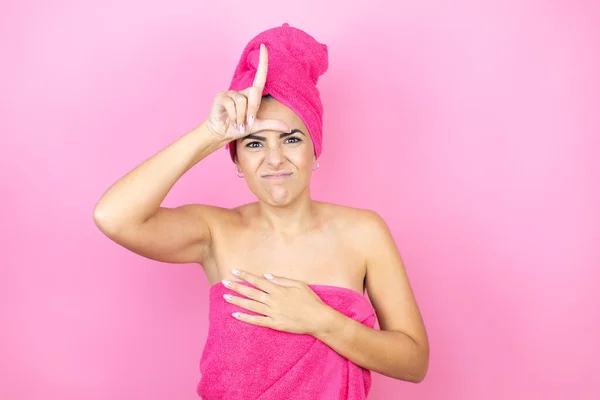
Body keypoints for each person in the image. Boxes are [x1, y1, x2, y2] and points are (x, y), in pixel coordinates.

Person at [93, 23, 429, 399]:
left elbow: (413, 362)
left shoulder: (364, 232)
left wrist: (319, 320)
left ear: (313, 149)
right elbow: (113, 216)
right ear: (237, 158)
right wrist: (210, 133)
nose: (274, 158)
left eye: (291, 138)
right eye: (254, 143)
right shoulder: (214, 231)